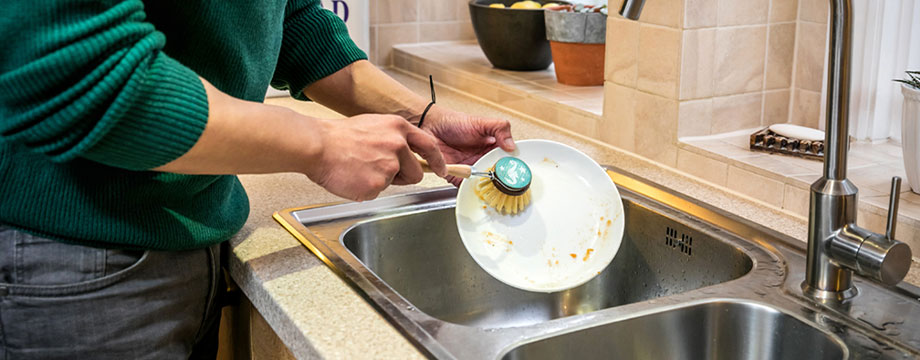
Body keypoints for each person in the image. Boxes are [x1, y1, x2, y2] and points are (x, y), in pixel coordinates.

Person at [0, 1, 515, 358]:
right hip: (70, 255)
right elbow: (82, 72)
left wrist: (420, 119)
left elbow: (290, 20)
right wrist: (320, 145)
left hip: (189, 229)